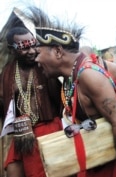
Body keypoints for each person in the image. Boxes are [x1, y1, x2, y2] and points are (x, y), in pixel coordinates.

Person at [28, 6, 116, 177]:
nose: (36, 59)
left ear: (58, 51)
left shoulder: (88, 75)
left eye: (38, 53)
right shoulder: (71, 77)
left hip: (114, 167)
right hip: (98, 162)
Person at [0, 26, 63, 177]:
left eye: (33, 45)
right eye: (24, 47)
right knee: (12, 171)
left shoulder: (45, 66)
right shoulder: (6, 74)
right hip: (22, 134)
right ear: (12, 49)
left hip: (49, 128)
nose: (31, 51)